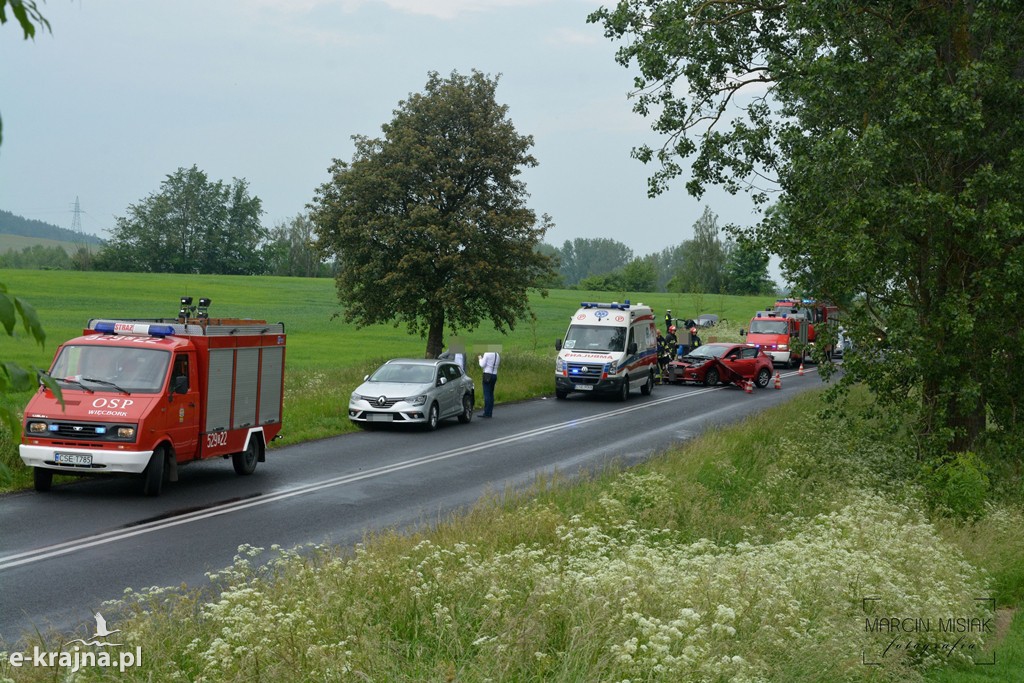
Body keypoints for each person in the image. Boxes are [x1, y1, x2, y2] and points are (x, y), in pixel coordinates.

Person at [478, 347, 500, 418]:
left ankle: (486, 412)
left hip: (487, 374)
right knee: (491, 393)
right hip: (494, 374)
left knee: (487, 394)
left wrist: (480, 358)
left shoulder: (487, 354)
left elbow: (482, 365)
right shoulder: (497, 355)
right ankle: (490, 412)